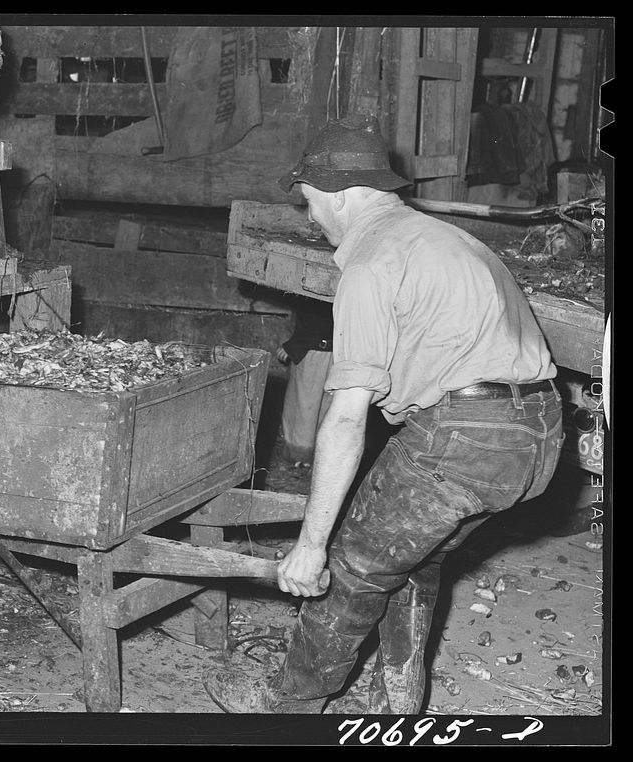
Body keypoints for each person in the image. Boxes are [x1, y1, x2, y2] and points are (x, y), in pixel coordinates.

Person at [205, 114, 563, 714]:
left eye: (310, 202)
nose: (309, 217)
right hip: (542, 439)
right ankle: (397, 706)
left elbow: (347, 419)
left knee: (351, 567)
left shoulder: (372, 263)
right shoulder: (450, 239)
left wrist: (311, 546)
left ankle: (288, 708)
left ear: (339, 195)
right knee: (414, 557)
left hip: (463, 441)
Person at [277, 298, 334, 468]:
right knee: (326, 404)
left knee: (304, 404)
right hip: (338, 350)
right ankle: (319, 456)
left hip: (314, 350)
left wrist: (294, 346)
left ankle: (300, 457)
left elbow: (315, 318)